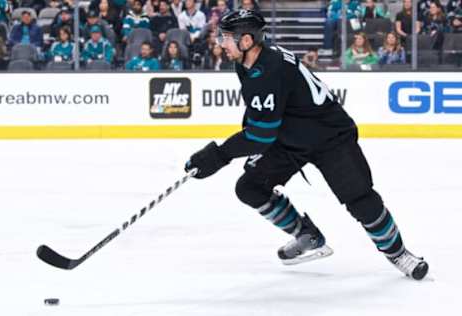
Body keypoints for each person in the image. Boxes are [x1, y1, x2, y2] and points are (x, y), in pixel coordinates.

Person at [184, 10, 429, 280]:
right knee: (250, 187)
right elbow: (261, 114)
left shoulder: (270, 70)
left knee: (360, 199)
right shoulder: (246, 64)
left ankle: (399, 254)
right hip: (290, 138)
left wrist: (218, 155)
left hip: (329, 137)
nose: (220, 43)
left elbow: (261, 135)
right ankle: (307, 236)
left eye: (226, 38)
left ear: (246, 41)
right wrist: (236, 145)